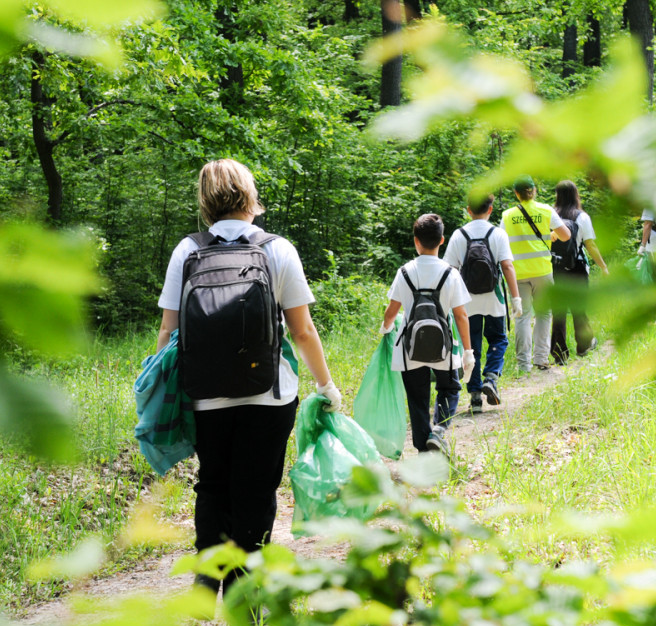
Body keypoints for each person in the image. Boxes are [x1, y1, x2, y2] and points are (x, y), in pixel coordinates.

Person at [156, 159, 340, 597]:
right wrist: (325, 385)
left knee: (213, 483)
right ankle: (248, 596)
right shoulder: (277, 249)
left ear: (205, 201)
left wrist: (163, 389)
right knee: (256, 491)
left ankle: (207, 579)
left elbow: (168, 330)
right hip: (269, 398)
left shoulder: (187, 251)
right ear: (249, 195)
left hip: (204, 398)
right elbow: (302, 331)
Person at [380, 213, 474, 454]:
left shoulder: (404, 272)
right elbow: (461, 315)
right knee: (449, 388)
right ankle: (439, 430)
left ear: (416, 241)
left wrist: (386, 328)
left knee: (417, 397)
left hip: (409, 348)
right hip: (444, 347)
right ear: (442, 241)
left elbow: (392, 311)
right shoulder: (450, 273)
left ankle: (423, 448)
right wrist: (468, 351)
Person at [443, 194, 521, 415]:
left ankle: (475, 396)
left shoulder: (459, 235)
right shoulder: (498, 234)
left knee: (472, 346)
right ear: (491, 209)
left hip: (466, 302)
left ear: (468, 210)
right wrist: (516, 298)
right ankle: (492, 377)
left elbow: (450, 271)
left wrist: (448, 302)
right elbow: (507, 267)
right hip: (494, 299)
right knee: (498, 339)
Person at [500, 176, 571, 372]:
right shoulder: (546, 210)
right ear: (535, 191)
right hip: (542, 271)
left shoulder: (507, 216)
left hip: (518, 273)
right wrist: (551, 234)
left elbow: (500, 242)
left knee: (522, 316)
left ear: (516, 193)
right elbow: (566, 235)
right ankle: (540, 359)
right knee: (544, 314)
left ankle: (524, 364)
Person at [549, 180, 608, 365]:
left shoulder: (550, 215)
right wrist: (603, 266)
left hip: (554, 268)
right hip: (577, 268)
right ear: (576, 195)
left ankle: (559, 354)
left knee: (558, 311)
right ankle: (583, 346)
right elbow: (590, 244)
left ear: (557, 195)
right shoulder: (581, 217)